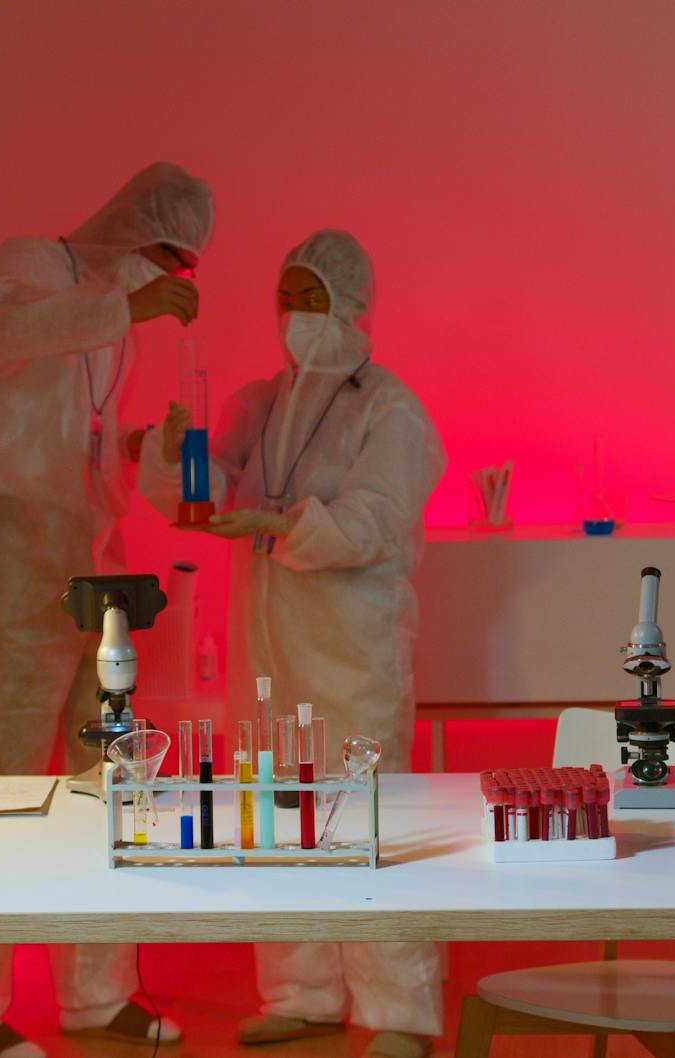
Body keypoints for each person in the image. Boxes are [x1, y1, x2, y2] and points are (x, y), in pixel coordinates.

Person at [139, 230, 447, 1058]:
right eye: (288, 299)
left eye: (312, 299)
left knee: (363, 823)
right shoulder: (261, 401)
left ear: (351, 304)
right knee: (276, 816)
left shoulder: (390, 408)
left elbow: (378, 521)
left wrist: (285, 525)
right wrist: (171, 455)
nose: (297, 316)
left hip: (351, 649)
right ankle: (303, 993)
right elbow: (201, 489)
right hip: (268, 649)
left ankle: (398, 1013)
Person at [0, 162, 213, 1058]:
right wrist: (119, 311)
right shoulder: (33, 266)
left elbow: (76, 435)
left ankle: (97, 993)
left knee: (108, 784)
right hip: (14, 559)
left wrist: (137, 447)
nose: (171, 276)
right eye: (167, 255)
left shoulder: (112, 324)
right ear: (133, 232)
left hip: (91, 556)